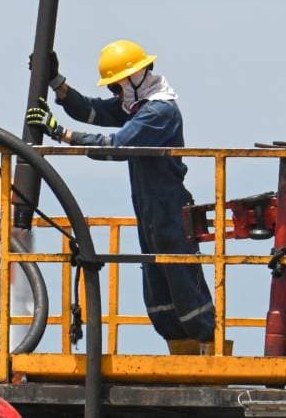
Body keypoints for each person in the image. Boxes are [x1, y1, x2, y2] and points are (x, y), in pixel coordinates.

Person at [25, 39, 216, 354]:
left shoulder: (160, 111)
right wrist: (57, 83)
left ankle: (212, 359)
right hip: (150, 212)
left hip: (170, 210)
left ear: (136, 76)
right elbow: (92, 110)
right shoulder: (138, 106)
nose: (116, 93)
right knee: (158, 295)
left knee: (185, 289)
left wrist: (62, 134)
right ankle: (183, 363)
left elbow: (116, 146)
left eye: (117, 86)